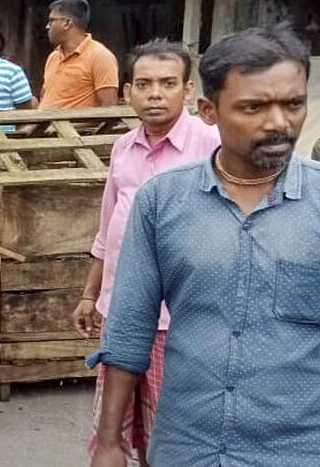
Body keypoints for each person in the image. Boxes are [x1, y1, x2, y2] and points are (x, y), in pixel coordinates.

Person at [89, 24, 320, 467]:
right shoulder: (161, 202)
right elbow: (129, 329)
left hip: (302, 449)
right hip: (187, 446)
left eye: (293, 104)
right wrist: (108, 442)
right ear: (208, 110)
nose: (279, 122)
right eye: (254, 107)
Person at [72, 40, 221, 465]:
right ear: (127, 92)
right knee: (112, 431)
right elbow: (108, 229)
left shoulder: (211, 146)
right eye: (144, 84)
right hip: (120, 310)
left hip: (180, 318)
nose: (155, 93)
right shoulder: (124, 148)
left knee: (170, 433)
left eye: (168, 83)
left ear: (188, 89)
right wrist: (90, 294)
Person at [41, 0, 120, 109]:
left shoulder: (100, 56)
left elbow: (109, 106)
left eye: (51, 20)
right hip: (45, 125)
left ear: (67, 23)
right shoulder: (53, 56)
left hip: (74, 127)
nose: (47, 26)